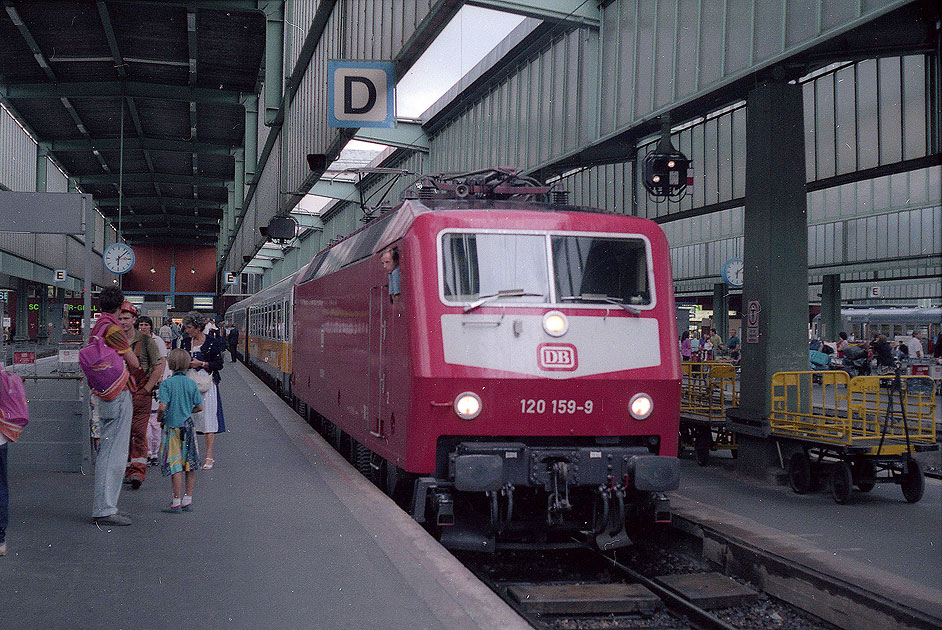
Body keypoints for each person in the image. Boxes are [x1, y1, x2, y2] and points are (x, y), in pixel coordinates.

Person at [90, 287, 140, 526]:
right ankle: (105, 508)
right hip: (118, 393)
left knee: (108, 451)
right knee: (114, 453)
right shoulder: (113, 329)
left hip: (104, 391)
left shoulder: (98, 326)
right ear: (120, 305)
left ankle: (106, 505)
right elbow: (133, 360)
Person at [157, 349, 204, 513]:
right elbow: (199, 406)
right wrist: (188, 411)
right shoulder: (191, 384)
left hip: (172, 429)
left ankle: (176, 502)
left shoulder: (166, 384)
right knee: (189, 463)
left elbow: (162, 406)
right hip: (188, 427)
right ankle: (187, 500)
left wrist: (160, 417)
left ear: (170, 364)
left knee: (175, 465)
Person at [122, 306, 164, 489]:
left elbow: (158, 367)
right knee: (122, 434)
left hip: (140, 394)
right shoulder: (116, 340)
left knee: (139, 432)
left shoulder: (147, 342)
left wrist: (146, 389)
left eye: (126, 318)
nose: (123, 322)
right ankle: (125, 468)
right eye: (120, 318)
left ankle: (137, 471)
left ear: (134, 320)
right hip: (121, 393)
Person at [181, 312, 226, 470]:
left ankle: (209, 455)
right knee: (189, 419)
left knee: (208, 419)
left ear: (198, 328)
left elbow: (219, 363)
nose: (187, 331)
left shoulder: (212, 342)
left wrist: (203, 363)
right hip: (189, 383)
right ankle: (190, 454)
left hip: (207, 385)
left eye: (189, 328)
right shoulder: (185, 342)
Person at [137, 316, 169, 467]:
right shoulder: (136, 341)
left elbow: (162, 360)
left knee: (155, 422)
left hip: (155, 384)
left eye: (145, 325)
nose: (143, 327)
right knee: (144, 421)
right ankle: (147, 451)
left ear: (150, 327)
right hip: (141, 384)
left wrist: (160, 377)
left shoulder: (157, 341)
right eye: (141, 325)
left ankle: (154, 452)